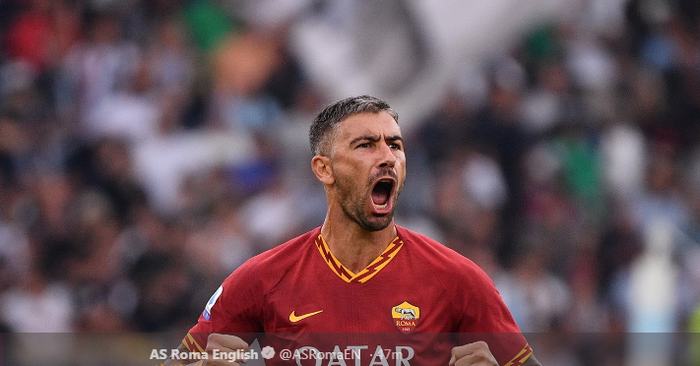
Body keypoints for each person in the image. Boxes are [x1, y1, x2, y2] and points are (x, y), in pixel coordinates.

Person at [166, 95, 541, 366]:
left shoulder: (458, 280)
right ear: (323, 169)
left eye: (395, 145)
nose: (387, 157)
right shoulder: (263, 279)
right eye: (366, 145)